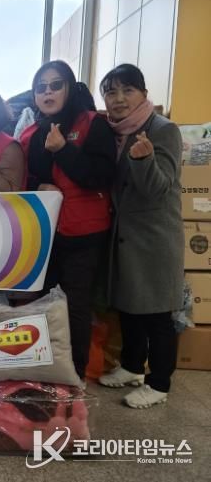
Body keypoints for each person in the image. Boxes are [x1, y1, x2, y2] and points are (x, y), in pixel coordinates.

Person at [20, 60, 116, 382]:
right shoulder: (34, 133)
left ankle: (74, 376)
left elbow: (101, 176)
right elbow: (29, 179)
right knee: (45, 302)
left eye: (55, 85)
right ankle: (47, 372)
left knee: (75, 306)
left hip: (84, 234)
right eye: (40, 88)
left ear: (69, 88)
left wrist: (63, 150)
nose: (47, 93)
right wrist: (38, 186)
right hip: (46, 233)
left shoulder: (93, 124)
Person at [97, 64, 184, 409]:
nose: (118, 99)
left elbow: (158, 189)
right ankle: (132, 366)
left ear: (144, 94)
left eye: (127, 90)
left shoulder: (163, 130)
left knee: (157, 315)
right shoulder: (115, 131)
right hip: (125, 236)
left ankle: (159, 383)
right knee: (129, 307)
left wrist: (145, 159)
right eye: (111, 92)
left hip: (153, 239)